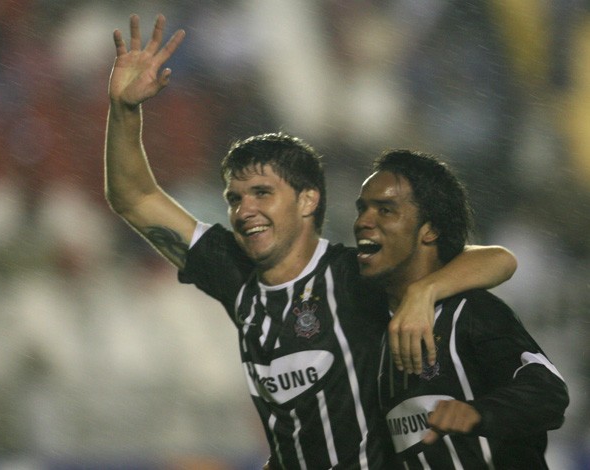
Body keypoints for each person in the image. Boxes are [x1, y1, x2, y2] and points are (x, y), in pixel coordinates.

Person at [105, 14, 517, 469]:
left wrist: (424, 292)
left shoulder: (359, 272)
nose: (245, 210)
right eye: (235, 198)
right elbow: (135, 197)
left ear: (308, 201)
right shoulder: (234, 275)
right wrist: (125, 110)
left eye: (263, 194)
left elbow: (498, 260)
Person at [354, 149, 569, 469]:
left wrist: (478, 413)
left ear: (430, 229)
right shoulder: (372, 325)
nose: (362, 222)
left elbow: (548, 394)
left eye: (385, 210)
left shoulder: (472, 313)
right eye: (362, 209)